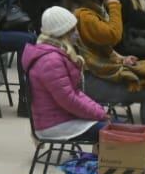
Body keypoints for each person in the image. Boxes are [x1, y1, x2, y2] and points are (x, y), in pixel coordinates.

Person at [70, 0, 145, 158]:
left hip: (103, 71)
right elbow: (113, 35)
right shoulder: (85, 16)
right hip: (92, 81)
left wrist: (120, 58)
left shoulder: (93, 9)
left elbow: (102, 48)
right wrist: (115, 6)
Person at [21, 8, 108, 144]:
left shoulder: (54, 53)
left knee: (114, 125)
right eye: (73, 30)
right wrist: (100, 113)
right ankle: (107, 163)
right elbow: (69, 100)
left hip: (61, 118)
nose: (77, 34)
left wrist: (99, 111)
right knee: (114, 131)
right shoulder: (51, 61)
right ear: (63, 33)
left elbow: (74, 93)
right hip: (55, 126)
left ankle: (104, 161)